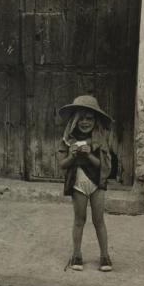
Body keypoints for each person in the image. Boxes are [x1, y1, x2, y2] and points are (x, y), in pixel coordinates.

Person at [58, 95, 113, 272]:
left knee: (99, 220)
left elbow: (104, 167)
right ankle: (76, 254)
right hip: (78, 183)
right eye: (81, 118)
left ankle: (105, 256)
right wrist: (73, 155)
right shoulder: (68, 139)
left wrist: (89, 155)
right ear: (74, 119)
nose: (85, 122)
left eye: (89, 118)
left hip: (96, 183)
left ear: (95, 120)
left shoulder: (100, 139)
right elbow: (62, 164)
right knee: (79, 220)